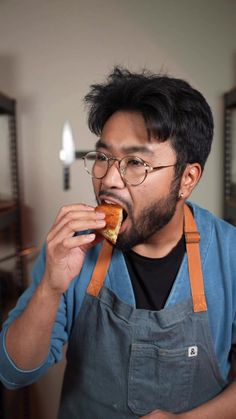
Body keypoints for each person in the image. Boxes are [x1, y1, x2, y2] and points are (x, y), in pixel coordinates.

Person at [0, 67, 236, 419]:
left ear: (187, 178)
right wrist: (50, 288)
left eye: (135, 163)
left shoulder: (228, 254)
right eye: (103, 158)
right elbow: (14, 372)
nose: (109, 180)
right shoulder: (71, 248)